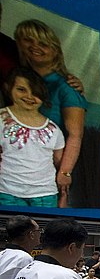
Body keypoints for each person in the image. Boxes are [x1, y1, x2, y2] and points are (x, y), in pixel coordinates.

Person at [14, 21, 85, 208]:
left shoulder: (66, 88)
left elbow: (75, 134)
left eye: (43, 44)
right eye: (28, 40)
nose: (34, 47)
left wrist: (64, 173)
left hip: (48, 175)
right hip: (15, 172)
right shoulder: (18, 79)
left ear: (55, 50)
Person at [0, 67, 65, 207]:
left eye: (35, 92)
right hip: (7, 192)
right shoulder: (1, 118)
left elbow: (58, 161)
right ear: (8, 88)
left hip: (45, 195)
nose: (29, 96)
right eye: (21, 90)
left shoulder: (54, 129)